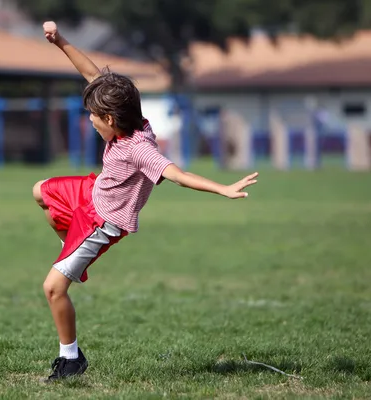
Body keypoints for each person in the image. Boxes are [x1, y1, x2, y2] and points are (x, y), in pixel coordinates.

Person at [33, 21, 259, 382]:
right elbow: (92, 73)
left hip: (104, 221)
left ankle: (71, 358)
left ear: (109, 118)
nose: (90, 121)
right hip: (92, 193)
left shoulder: (140, 148)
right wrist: (60, 41)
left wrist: (223, 189)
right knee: (39, 191)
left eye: (93, 116)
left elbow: (178, 175)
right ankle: (69, 246)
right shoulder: (130, 121)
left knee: (53, 288)